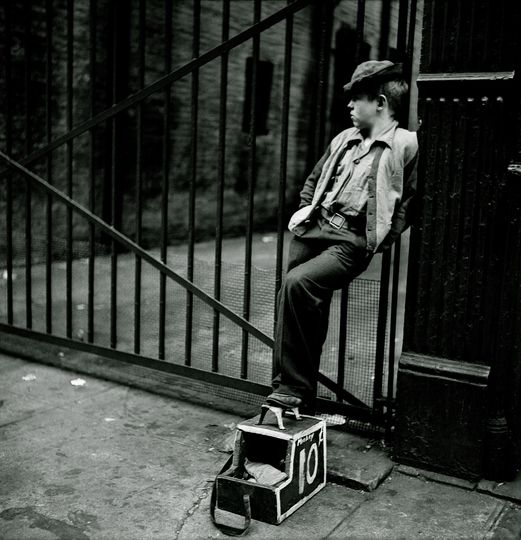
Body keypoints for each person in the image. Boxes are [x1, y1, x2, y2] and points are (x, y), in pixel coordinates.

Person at [266, 60, 419, 414]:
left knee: (298, 284)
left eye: (357, 99)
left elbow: (411, 200)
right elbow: (313, 179)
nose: (349, 106)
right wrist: (306, 210)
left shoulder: (405, 144)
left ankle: (290, 388)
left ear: (380, 103)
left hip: (350, 240)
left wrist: (382, 238)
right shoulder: (343, 139)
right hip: (315, 228)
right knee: (298, 304)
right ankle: (292, 394)